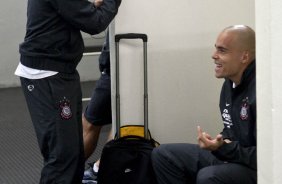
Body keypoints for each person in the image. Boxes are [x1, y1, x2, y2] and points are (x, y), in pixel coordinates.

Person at [15, 0, 121, 183]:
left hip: (61, 72)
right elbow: (95, 23)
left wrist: (92, 6)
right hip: (46, 75)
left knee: (73, 152)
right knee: (62, 156)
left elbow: (76, 10)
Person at [151, 25, 257, 184]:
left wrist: (224, 149)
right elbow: (232, 130)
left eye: (222, 51)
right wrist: (220, 142)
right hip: (235, 157)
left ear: (244, 57)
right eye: (216, 49)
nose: (213, 56)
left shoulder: (262, 91)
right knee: (163, 154)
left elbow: (268, 156)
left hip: (257, 168)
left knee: (208, 177)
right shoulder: (229, 84)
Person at [82, 31, 114, 184]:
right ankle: (69, 169)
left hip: (123, 66)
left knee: (123, 123)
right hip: (111, 68)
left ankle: (99, 170)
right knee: (89, 123)